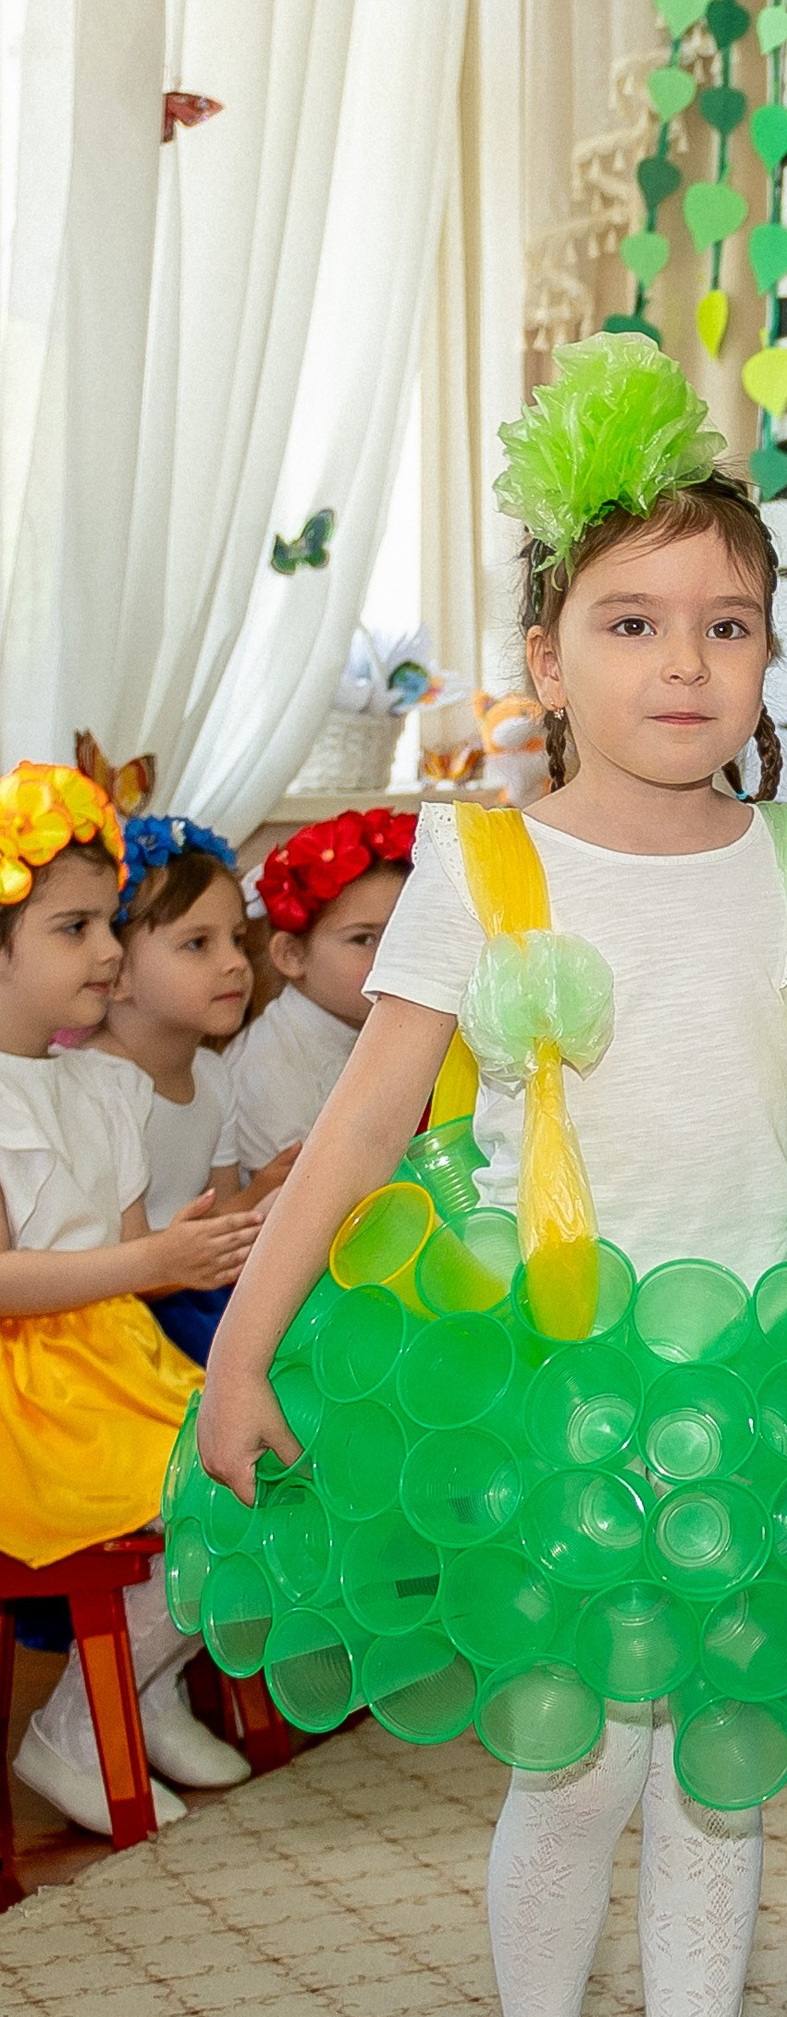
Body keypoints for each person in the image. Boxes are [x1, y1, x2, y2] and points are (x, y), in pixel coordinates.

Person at [193, 337, 787, 2017]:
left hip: (770, 1378)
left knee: (716, 1771)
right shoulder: (481, 863)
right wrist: (242, 1344)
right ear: (549, 655)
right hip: (559, 1386)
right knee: (579, 1756)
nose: (683, 663)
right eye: (633, 620)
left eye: (725, 624)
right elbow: (363, 1119)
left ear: (763, 656)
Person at [0, 766, 265, 1834]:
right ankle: (78, 1720)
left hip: (110, 1354)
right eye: (75, 927)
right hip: (27, 1392)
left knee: (262, 1461)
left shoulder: (102, 1086)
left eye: (110, 922)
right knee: (194, 1489)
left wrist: (190, 1248)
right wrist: (154, 1264)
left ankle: (120, 1699)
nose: (109, 952)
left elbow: (123, 1252)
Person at [83, 816, 277, 1367]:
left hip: (199, 1285)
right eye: (198, 943)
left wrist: (265, 1193)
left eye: (237, 939)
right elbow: (122, 1258)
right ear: (116, 975)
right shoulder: (99, 1083)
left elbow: (220, 1208)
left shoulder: (214, 1076)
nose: (236, 963)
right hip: (131, 1310)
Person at [227, 810, 414, 1175]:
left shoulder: (384, 1026)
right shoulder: (268, 1072)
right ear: (292, 956)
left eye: (405, 933)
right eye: (364, 938)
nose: (394, 955)